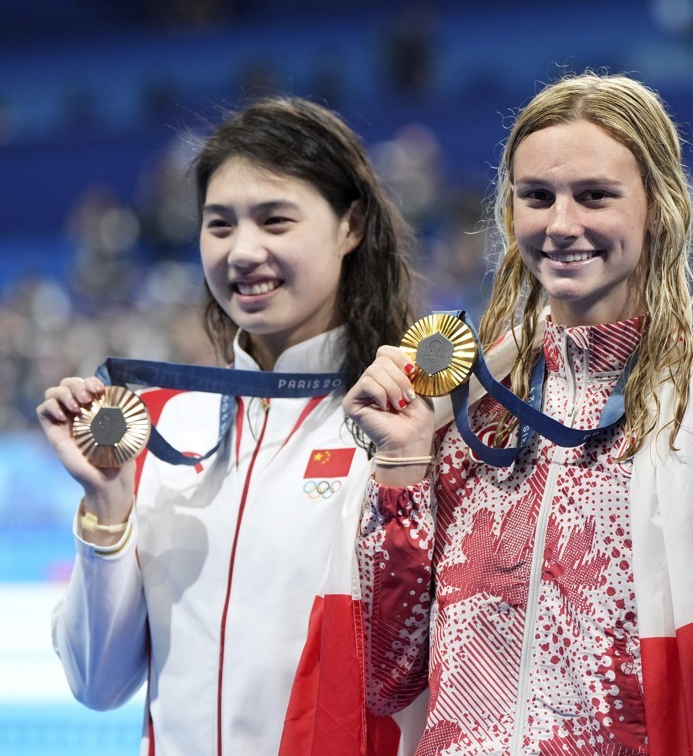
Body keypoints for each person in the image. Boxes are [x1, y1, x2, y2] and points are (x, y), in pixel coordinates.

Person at [336, 72, 693, 755]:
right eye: (537, 197)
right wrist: (404, 462)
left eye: (594, 196)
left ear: (660, 209)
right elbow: (388, 679)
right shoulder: (460, 410)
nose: (562, 225)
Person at [37, 96, 420, 755]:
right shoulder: (159, 427)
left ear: (350, 224)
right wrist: (107, 507)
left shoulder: (406, 428)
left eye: (275, 220)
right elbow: (96, 684)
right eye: (220, 225)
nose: (244, 251)